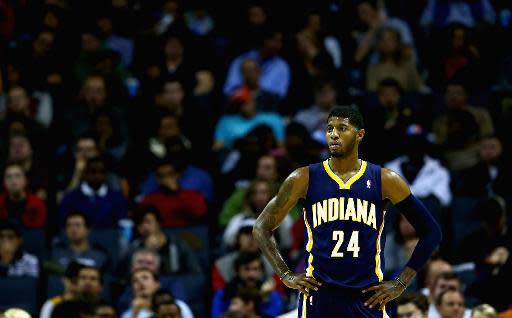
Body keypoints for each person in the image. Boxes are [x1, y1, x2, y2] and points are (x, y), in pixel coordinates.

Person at [253, 105, 442, 317]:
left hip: (368, 297)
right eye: (329, 128)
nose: (334, 134)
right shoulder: (303, 178)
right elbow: (261, 227)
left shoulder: (384, 179)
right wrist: (286, 275)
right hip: (319, 296)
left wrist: (400, 283)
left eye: (342, 128)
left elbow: (431, 232)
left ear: (360, 134)